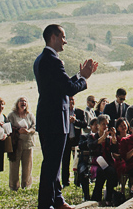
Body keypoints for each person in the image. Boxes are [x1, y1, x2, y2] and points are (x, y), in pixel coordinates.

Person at [34, 23, 98, 209]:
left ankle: (57, 200)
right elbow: (68, 89)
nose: (65, 41)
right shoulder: (53, 60)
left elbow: (60, 84)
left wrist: (79, 74)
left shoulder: (41, 59)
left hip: (46, 118)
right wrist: (85, 79)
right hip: (55, 119)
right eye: (63, 37)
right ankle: (46, 205)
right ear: (53, 37)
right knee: (51, 166)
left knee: (51, 164)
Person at [89, 114, 118, 206]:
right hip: (95, 164)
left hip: (107, 163)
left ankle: (108, 198)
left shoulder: (108, 138)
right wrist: (102, 137)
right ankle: (96, 197)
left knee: (111, 171)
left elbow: (115, 150)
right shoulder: (92, 136)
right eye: (103, 124)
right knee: (101, 172)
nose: (105, 126)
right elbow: (91, 145)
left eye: (107, 124)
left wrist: (113, 138)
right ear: (98, 125)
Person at [8, 97, 36, 191]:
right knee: (14, 165)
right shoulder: (12, 115)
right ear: (17, 103)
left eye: (25, 101)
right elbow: (8, 127)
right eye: (21, 101)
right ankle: (14, 186)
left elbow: (35, 127)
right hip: (16, 143)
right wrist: (17, 130)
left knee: (27, 165)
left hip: (28, 143)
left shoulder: (30, 115)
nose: (23, 103)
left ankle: (26, 185)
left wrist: (28, 131)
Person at [62, 96, 87, 188]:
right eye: (69, 100)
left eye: (72, 99)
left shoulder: (79, 112)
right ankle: (65, 182)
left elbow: (84, 124)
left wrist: (75, 121)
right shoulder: (63, 112)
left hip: (76, 140)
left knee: (78, 161)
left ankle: (78, 181)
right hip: (66, 140)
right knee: (65, 161)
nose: (71, 102)